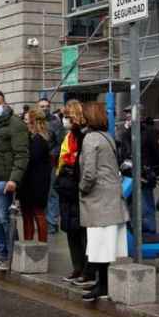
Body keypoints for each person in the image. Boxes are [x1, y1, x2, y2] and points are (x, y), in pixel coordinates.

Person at [78, 102, 129, 302]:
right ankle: (102, 284)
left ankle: (102, 286)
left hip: (98, 198)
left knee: (100, 244)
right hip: (111, 196)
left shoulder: (90, 138)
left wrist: (82, 188)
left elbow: (89, 172)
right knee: (107, 245)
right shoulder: (106, 136)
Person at [0, 90, 29, 270]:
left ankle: (10, 255)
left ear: (5, 103)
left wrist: (14, 179)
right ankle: (1, 254)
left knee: (4, 218)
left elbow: (22, 154)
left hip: (5, 178)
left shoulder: (15, 124)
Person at [56, 100, 96, 288]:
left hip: (79, 190)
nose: (65, 120)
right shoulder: (69, 136)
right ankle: (77, 268)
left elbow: (79, 161)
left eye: (67, 116)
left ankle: (88, 270)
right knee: (71, 232)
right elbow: (63, 159)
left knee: (83, 233)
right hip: (67, 189)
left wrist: (69, 162)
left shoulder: (85, 136)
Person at [21, 108, 52, 243]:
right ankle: (28, 244)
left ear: (33, 122)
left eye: (27, 120)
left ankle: (41, 245)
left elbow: (31, 158)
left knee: (38, 214)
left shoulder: (39, 140)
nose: (25, 122)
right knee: (27, 215)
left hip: (36, 184)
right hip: (28, 183)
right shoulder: (33, 138)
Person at [39, 98, 64, 234]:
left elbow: (61, 142)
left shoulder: (55, 123)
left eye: (47, 106)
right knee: (41, 192)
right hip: (37, 163)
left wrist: (52, 154)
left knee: (52, 193)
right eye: (42, 106)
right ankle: (43, 221)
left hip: (51, 161)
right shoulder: (35, 122)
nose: (45, 108)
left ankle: (52, 222)